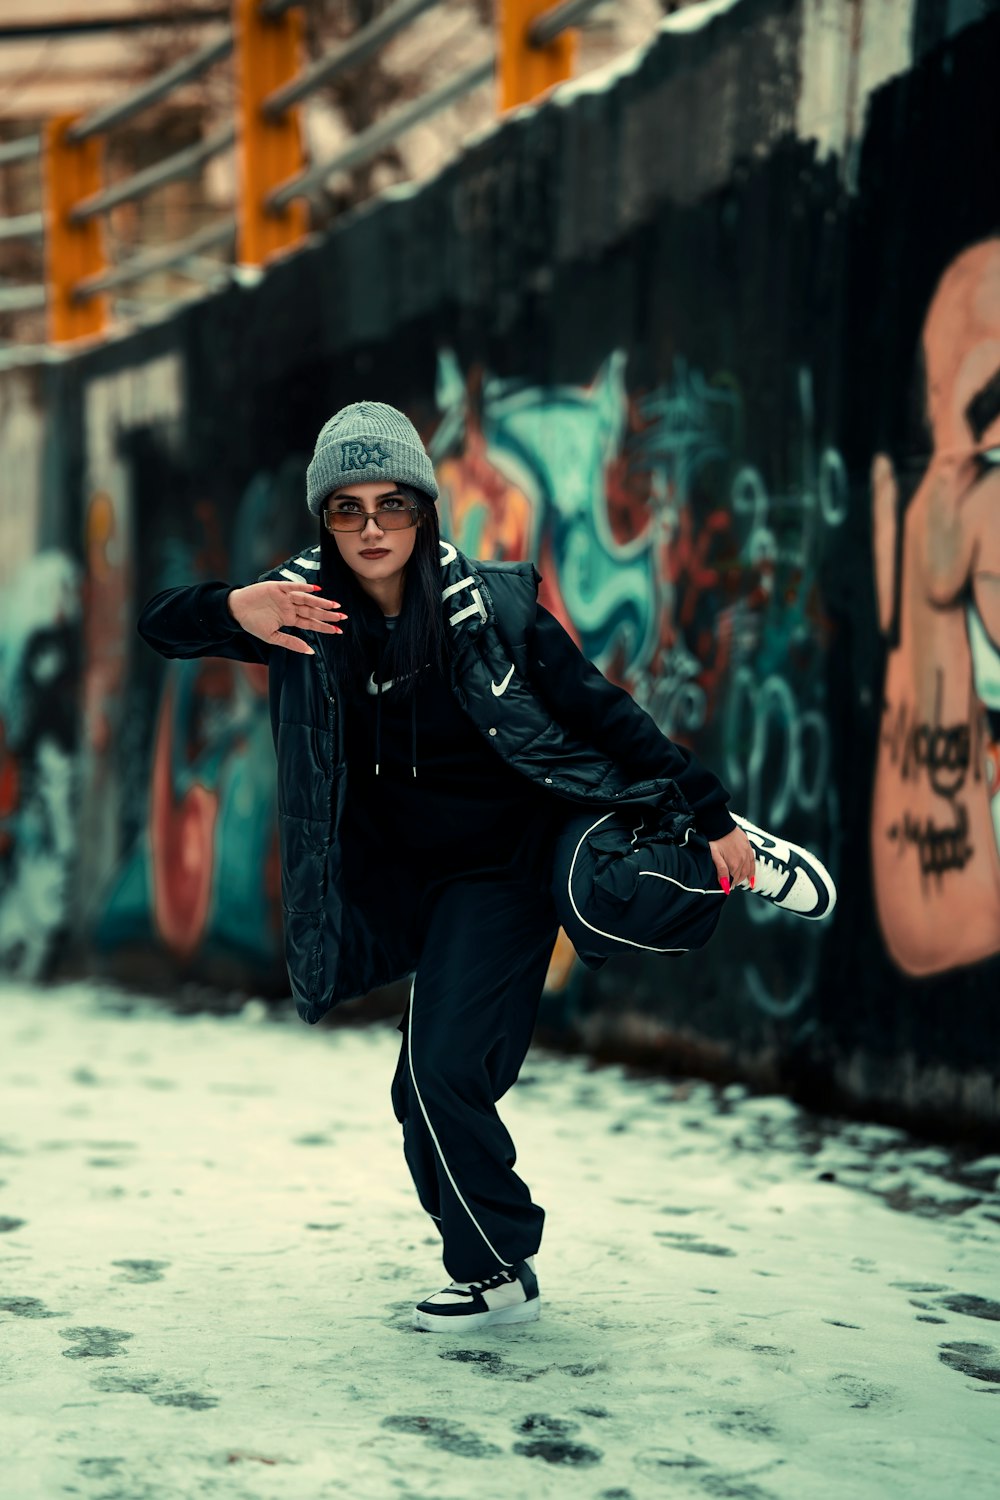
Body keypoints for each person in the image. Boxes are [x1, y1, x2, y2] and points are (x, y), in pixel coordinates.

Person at [137, 401, 836, 1333]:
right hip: (432, 887)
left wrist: (705, 808)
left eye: (393, 504)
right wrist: (236, 609)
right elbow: (159, 626)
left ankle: (719, 861)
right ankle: (497, 1269)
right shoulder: (298, 615)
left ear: (425, 509)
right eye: (348, 509)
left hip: (533, 844)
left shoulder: (494, 608)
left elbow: (602, 711)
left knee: (597, 903)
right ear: (324, 519)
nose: (373, 527)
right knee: (424, 1085)